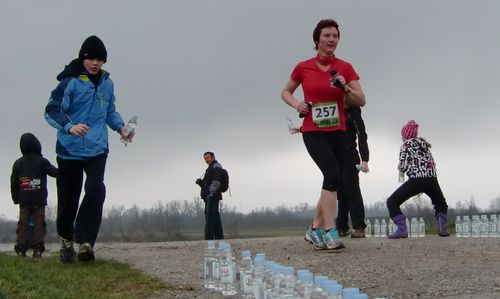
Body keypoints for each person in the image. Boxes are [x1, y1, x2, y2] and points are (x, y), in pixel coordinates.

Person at [44, 35, 133, 262]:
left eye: (100, 60)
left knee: (96, 189)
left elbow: (110, 110)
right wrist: (70, 127)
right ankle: (66, 240)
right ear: (83, 59)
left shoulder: (107, 83)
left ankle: (85, 242)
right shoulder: (69, 82)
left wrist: (120, 128)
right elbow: (51, 111)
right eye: (91, 59)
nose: (95, 63)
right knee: (68, 200)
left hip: (97, 148)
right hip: (69, 149)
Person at [280, 19, 366, 250]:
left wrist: (345, 88)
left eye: (335, 36)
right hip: (313, 131)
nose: (331, 40)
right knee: (331, 173)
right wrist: (297, 104)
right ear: (317, 39)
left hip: (338, 130)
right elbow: (285, 91)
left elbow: (362, 100)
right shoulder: (303, 67)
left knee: (334, 179)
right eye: (327, 35)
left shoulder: (345, 68)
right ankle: (330, 231)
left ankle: (313, 228)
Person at [387, 120, 450, 239]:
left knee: (392, 202)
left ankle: (402, 229)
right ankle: (442, 227)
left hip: (416, 180)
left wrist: (400, 167)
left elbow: (403, 167)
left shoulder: (405, 146)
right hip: (432, 179)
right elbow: (432, 163)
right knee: (440, 202)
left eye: (402, 135)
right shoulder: (425, 145)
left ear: (405, 135)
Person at [10, 133, 58, 258]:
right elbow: (54, 172)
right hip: (39, 199)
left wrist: (16, 198)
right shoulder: (42, 161)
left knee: (23, 224)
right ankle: (37, 249)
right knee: (39, 224)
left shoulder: (18, 163)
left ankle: (21, 249)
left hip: (24, 199)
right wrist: (66, 169)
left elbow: (14, 182)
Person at [336, 106, 370, 238]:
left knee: (352, 189)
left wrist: (365, 159)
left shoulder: (353, 113)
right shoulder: (334, 109)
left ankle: (359, 226)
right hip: (336, 155)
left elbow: (362, 134)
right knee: (340, 192)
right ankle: (341, 226)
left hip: (350, 155)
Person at [195, 152, 224, 240]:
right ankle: (219, 238)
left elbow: (216, 182)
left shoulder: (216, 166)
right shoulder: (210, 168)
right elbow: (207, 184)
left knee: (210, 218)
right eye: (205, 158)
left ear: (213, 157)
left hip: (212, 196)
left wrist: (210, 194)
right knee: (215, 218)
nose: (206, 160)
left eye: (208, 157)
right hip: (210, 196)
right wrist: (200, 183)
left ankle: (208, 239)